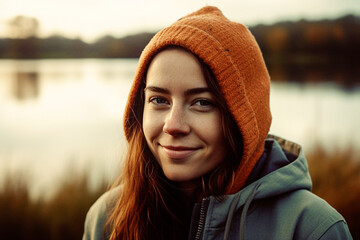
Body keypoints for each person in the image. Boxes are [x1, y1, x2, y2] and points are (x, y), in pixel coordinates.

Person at [83, 6, 352, 240]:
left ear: (244, 119)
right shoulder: (107, 219)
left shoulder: (312, 229)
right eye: (158, 100)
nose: (173, 125)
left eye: (202, 102)